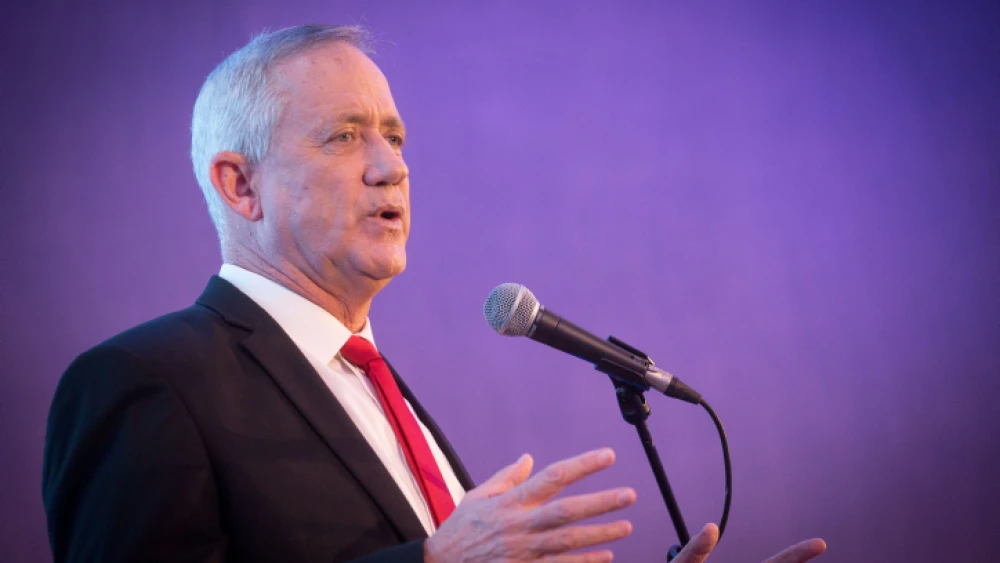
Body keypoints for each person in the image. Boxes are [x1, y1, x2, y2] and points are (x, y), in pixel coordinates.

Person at [41, 24, 827, 563]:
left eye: (396, 136)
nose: (392, 166)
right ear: (240, 184)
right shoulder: (145, 382)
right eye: (345, 135)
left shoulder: (376, 387)